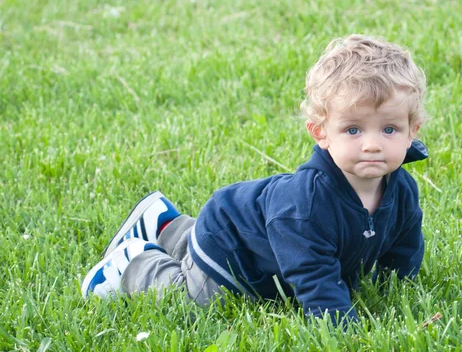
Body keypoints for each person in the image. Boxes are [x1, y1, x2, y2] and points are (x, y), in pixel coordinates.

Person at [81, 34, 428, 324]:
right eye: (353, 129)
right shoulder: (307, 205)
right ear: (321, 132)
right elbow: (313, 275)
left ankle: (166, 225)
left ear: (412, 131)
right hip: (234, 252)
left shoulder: (402, 189)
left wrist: (398, 285)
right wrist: (338, 323)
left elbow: (403, 246)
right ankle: (135, 262)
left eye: (389, 129)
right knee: (196, 301)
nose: (372, 145)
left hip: (249, 229)